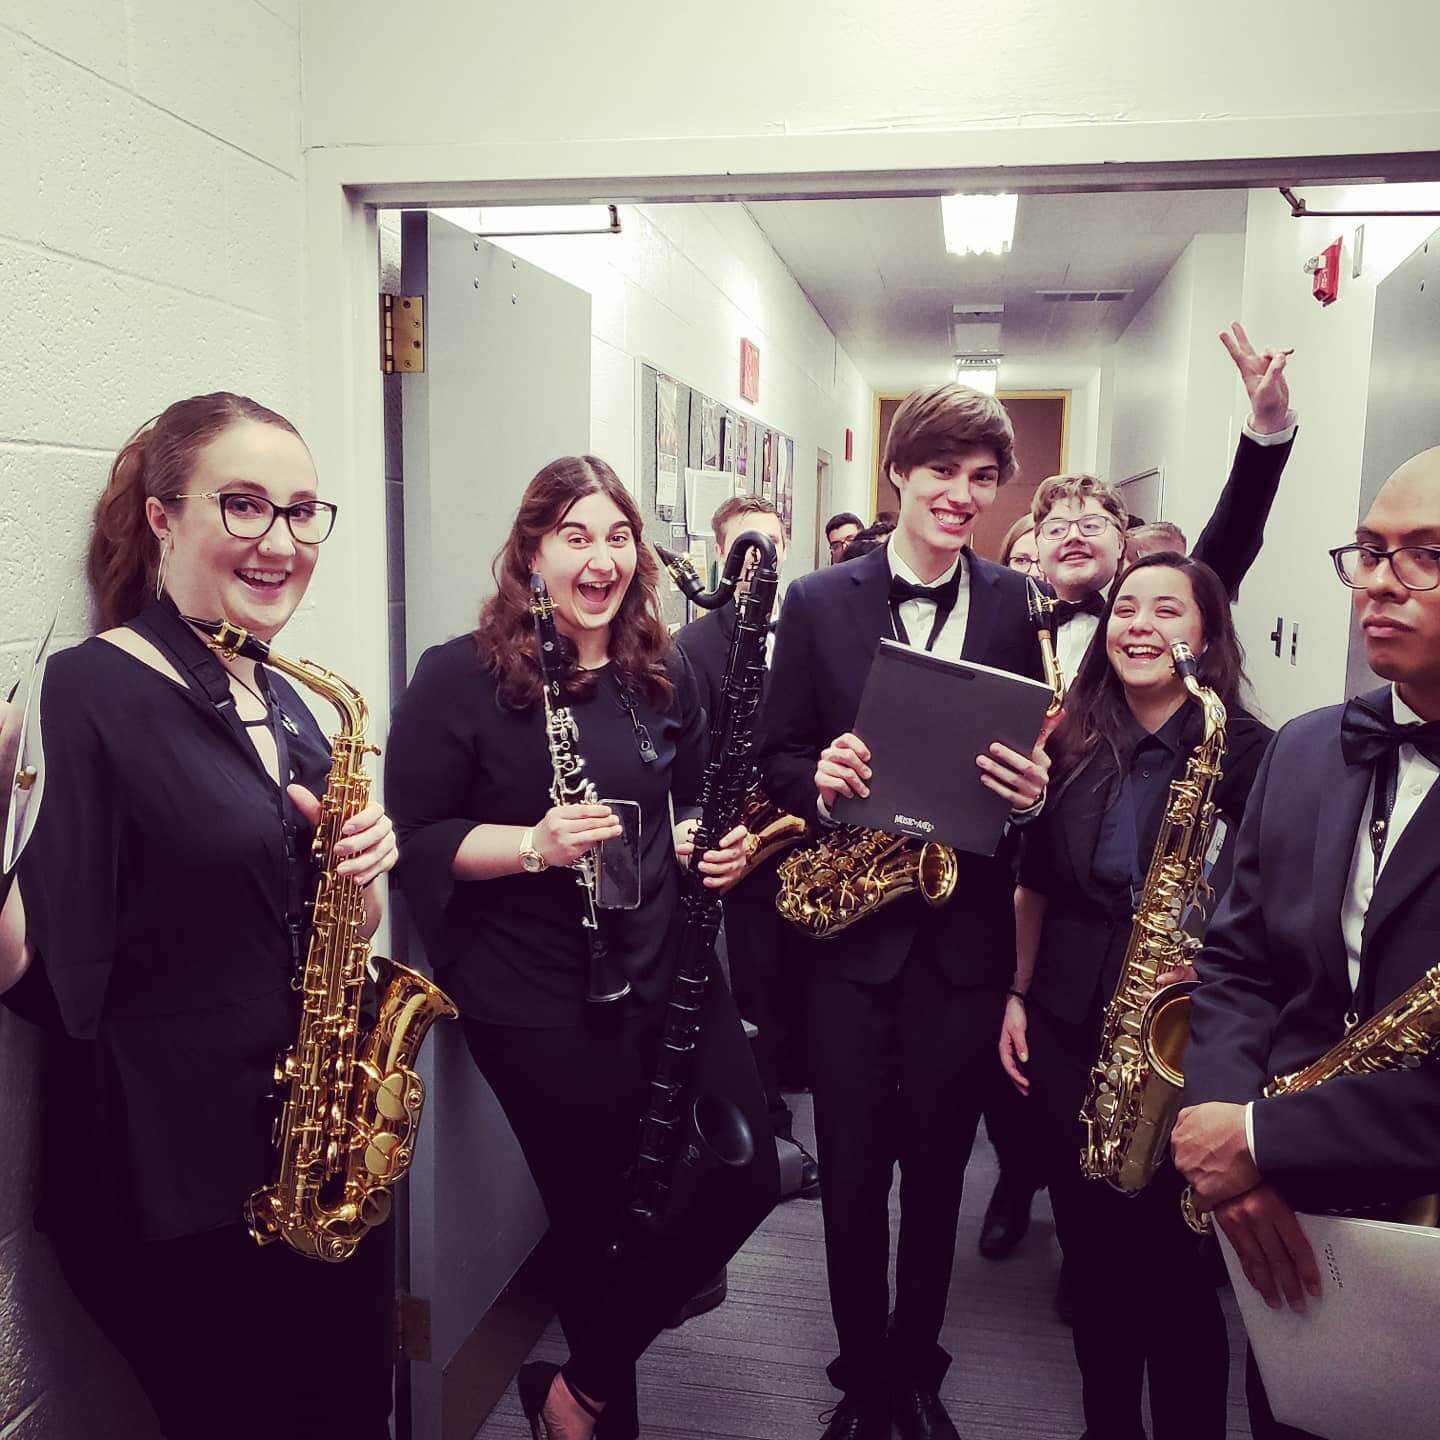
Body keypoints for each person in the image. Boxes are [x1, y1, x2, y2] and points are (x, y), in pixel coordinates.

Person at [1, 394, 402, 1440]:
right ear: (162, 516)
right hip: (177, 1188)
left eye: (304, 511)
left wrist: (365, 876)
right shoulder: (90, 689)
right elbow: (47, 979)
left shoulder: (298, 703)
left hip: (314, 1155)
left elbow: (327, 933)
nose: (282, 542)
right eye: (245, 506)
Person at [384, 456, 778, 1440]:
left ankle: (579, 1388)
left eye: (617, 536)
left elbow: (679, 804)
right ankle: (601, 1418)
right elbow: (418, 840)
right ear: (530, 554)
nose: (601, 559)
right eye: (575, 537)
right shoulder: (458, 678)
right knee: (606, 1223)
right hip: (536, 991)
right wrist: (531, 844)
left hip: (664, 958)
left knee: (749, 1171)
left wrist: (701, 843)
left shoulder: (663, 667)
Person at [760, 384, 1056, 1440]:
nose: (964, 495)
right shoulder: (817, 601)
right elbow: (775, 755)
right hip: (847, 943)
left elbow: (1034, 773)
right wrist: (817, 777)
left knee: (939, 1168)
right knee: (848, 1172)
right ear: (897, 473)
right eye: (944, 472)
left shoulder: (1024, 605)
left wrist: (1034, 794)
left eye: (984, 479)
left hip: (962, 946)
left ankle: (917, 1372)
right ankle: (860, 1383)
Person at [1173, 447, 1440, 1440]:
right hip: (1289, 1214)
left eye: (1426, 554)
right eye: (1369, 550)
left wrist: (1251, 1143)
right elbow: (1240, 961)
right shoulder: (1306, 746)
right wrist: (1226, 1133)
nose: (1378, 580)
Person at [1000, 552, 1273, 1440]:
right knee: (1092, 1262)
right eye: (1126, 608)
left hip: (1187, 1045)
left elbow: (1273, 905)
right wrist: (1017, 992)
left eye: (1169, 610)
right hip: (1074, 1025)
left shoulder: (1249, 753)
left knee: (1178, 1276)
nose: (1140, 625)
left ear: (1206, 635)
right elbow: (1035, 883)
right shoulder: (1069, 739)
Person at [675, 493, 820, 1198]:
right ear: (721, 553)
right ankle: (769, 1120)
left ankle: (798, 1076)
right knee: (754, 983)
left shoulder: (804, 627)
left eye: (766, 541)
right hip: (743, 843)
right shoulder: (695, 645)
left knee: (800, 974)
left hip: (803, 832)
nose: (756, 556)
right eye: (742, 545)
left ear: (784, 544)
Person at [1033, 322, 1299, 681]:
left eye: (1092, 525)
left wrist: (1267, 427)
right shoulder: (1011, 617)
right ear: (1038, 545)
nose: (1073, 537)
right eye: (1057, 528)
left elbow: (1234, 532)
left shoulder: (1170, 603)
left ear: (1122, 540)